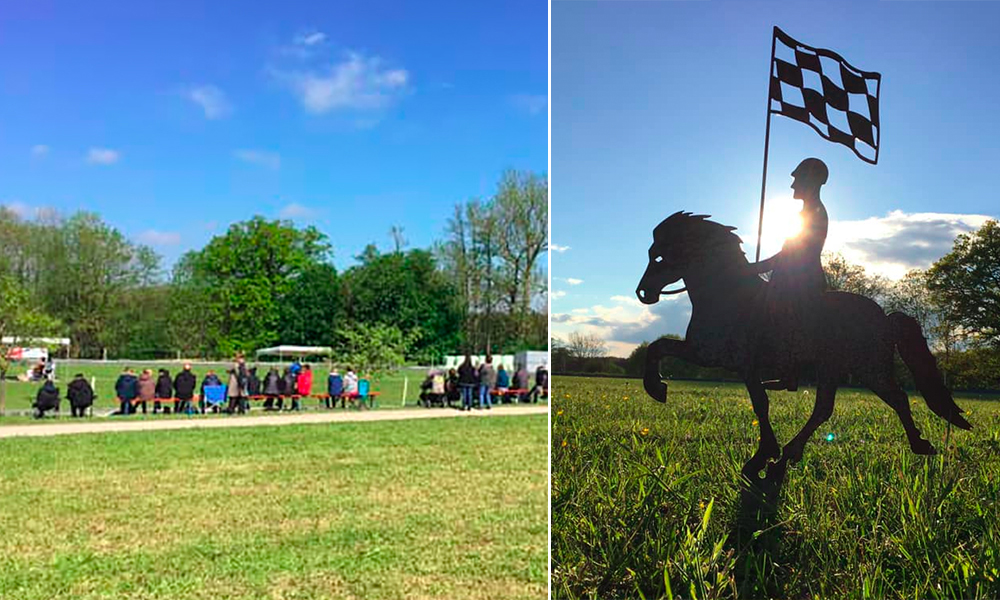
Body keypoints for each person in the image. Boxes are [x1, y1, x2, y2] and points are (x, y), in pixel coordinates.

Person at [752, 158, 830, 391]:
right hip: (791, 278)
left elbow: (791, 253)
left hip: (801, 281)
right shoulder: (805, 213)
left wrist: (752, 269)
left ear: (810, 181)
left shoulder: (813, 214)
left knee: (774, 313)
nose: (792, 185)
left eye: (796, 179)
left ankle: (789, 372)